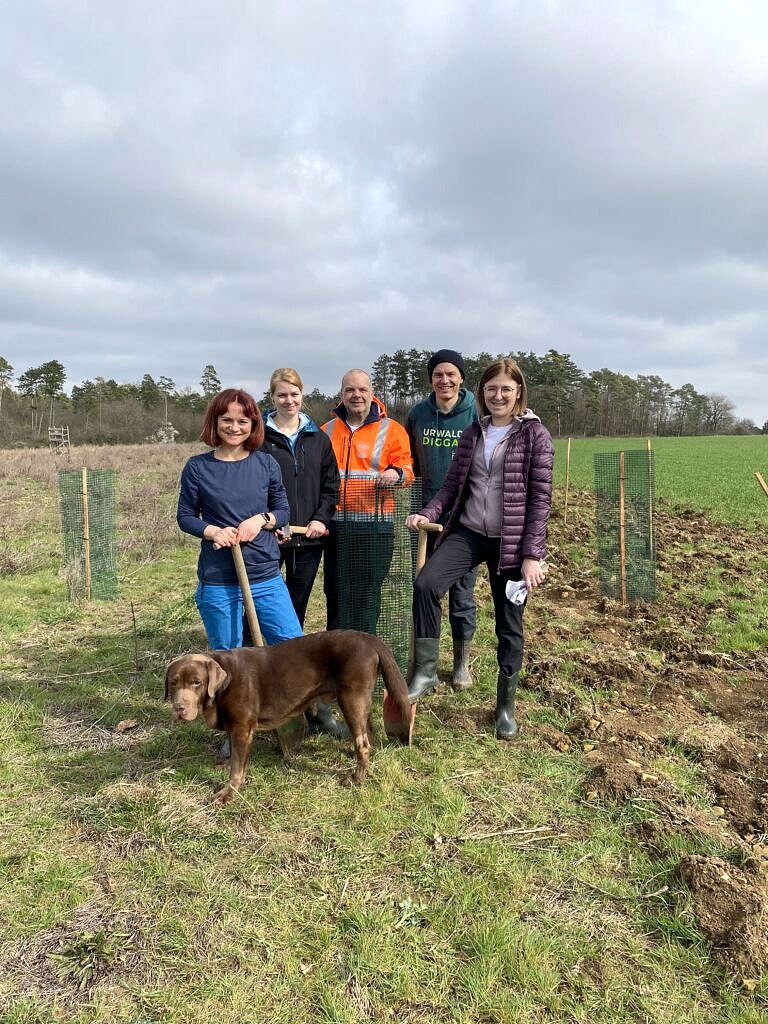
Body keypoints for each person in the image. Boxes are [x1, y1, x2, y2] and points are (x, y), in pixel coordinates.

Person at [405, 357, 554, 740]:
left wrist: (532, 555)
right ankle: (425, 672)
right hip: (469, 532)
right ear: (483, 394)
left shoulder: (534, 435)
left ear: (518, 391)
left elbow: (540, 499)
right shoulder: (474, 432)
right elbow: (452, 486)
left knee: (509, 624)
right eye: (492, 389)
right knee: (426, 585)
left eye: (506, 388)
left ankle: (505, 707)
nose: (499, 395)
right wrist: (428, 512)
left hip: (511, 542)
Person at [177, 387, 302, 651]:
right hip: (219, 578)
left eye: (243, 421)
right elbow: (186, 516)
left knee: (293, 650)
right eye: (227, 420)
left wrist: (260, 520)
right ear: (215, 422)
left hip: (265, 573)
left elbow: (282, 511)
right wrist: (213, 532)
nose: (235, 427)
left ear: (253, 425)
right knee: (228, 656)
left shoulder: (266, 464)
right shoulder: (198, 467)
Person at [260, 367, 345, 738]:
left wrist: (320, 519)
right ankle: (266, 685)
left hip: (309, 539)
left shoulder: (318, 437)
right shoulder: (260, 437)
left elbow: (330, 486)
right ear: (272, 397)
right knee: (266, 612)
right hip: (268, 539)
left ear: (302, 396)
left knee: (294, 613)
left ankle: (299, 693)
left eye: (294, 395)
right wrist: (269, 521)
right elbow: (253, 483)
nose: (288, 401)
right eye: (281, 395)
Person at [405, 349, 479, 691]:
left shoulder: (475, 413)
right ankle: (426, 665)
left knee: (462, 594)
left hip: (465, 520)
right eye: (438, 374)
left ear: (461, 377)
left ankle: (462, 661)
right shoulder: (418, 414)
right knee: (424, 588)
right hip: (424, 517)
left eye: (451, 374)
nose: (444, 380)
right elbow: (408, 461)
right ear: (431, 379)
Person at [322, 368, 414, 633]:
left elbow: (407, 470)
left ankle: (362, 663)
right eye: (350, 390)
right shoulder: (326, 431)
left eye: (362, 389)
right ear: (341, 395)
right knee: (336, 593)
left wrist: (395, 473)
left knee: (366, 596)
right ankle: (335, 658)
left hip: (375, 530)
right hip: (336, 528)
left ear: (372, 393)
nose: (356, 395)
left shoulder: (392, 430)